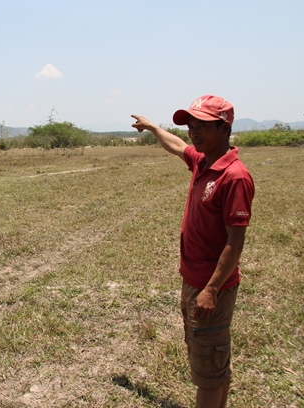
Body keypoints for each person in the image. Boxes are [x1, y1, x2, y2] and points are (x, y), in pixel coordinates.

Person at [131, 95, 254, 408]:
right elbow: (175, 145)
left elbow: (234, 242)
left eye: (202, 125)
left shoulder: (234, 176)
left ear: (224, 127)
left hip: (211, 287)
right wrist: (154, 128)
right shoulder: (203, 160)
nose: (193, 131)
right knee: (209, 362)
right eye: (191, 124)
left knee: (208, 370)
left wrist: (211, 290)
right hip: (194, 280)